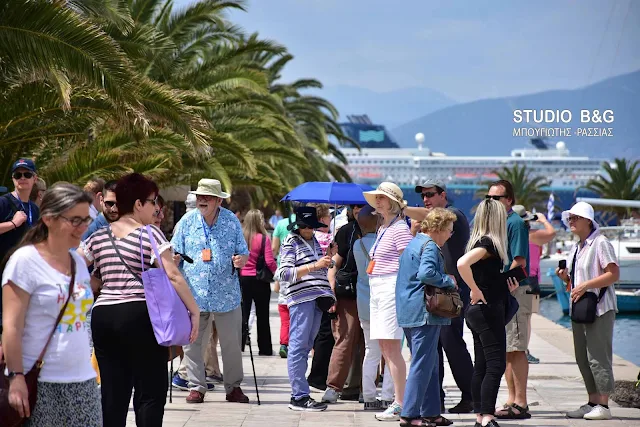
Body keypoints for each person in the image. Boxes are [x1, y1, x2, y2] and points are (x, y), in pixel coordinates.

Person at [79, 173, 200, 426]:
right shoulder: (150, 235)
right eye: (153, 201)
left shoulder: (98, 236)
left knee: (113, 392)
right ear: (137, 204)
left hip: (103, 317)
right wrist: (194, 311)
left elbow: (75, 264)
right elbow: (174, 275)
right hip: (139, 315)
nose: (156, 208)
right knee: (150, 391)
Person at [2, 183, 101, 426]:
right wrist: (16, 378)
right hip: (41, 382)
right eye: (75, 220)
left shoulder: (78, 263)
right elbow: (11, 326)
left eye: (86, 220)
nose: (83, 228)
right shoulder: (24, 262)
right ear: (48, 219)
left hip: (84, 382)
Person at [170, 178, 250, 404]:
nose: (201, 200)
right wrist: (174, 260)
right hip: (194, 296)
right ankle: (196, 386)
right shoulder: (186, 221)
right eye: (199, 196)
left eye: (207, 197)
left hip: (227, 295)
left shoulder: (231, 222)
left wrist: (240, 260)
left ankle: (233, 387)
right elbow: (174, 252)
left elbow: (243, 252)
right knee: (193, 345)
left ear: (218, 201)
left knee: (232, 345)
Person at [405, 178, 474, 413]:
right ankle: (437, 399)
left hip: (452, 292)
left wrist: (399, 208)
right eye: (423, 195)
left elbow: (432, 217)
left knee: (451, 343)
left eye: (431, 194)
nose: (426, 200)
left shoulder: (454, 216)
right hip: (436, 291)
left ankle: (470, 395)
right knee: (435, 346)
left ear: (443, 195)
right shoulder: (431, 226)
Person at [457, 198, 519, 427]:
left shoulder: (477, 242)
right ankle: (487, 415)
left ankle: (481, 415)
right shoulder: (489, 243)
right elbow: (462, 264)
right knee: (495, 365)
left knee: (482, 365)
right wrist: (475, 289)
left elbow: (483, 275)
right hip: (486, 311)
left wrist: (504, 287)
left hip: (476, 311)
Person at [557, 202, 619, 421]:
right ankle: (592, 401)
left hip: (600, 308)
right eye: (570, 218)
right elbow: (577, 280)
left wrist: (586, 285)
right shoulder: (577, 246)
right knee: (582, 357)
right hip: (581, 308)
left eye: (575, 217)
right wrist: (566, 278)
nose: (571, 221)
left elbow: (613, 274)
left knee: (598, 357)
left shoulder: (600, 243)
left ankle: (604, 405)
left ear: (587, 221)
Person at [396, 208, 458, 426]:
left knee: (429, 363)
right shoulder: (430, 246)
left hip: (409, 311)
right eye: (449, 230)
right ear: (439, 229)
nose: (451, 234)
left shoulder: (414, 243)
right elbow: (426, 274)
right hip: (424, 313)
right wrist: (449, 280)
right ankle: (409, 414)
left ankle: (431, 412)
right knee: (422, 364)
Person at [275, 206, 335, 412]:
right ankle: (299, 396)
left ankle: (301, 394)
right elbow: (284, 273)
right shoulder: (291, 240)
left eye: (312, 226)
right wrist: (316, 265)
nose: (310, 229)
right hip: (301, 299)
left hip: (316, 298)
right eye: (306, 226)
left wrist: (328, 259)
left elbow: (318, 267)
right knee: (299, 346)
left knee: (307, 345)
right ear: (298, 226)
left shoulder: (314, 241)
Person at [362, 182, 413, 421]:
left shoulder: (399, 228)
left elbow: (407, 263)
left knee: (391, 347)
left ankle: (400, 401)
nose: (377, 201)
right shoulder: (385, 226)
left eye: (381, 198)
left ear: (392, 202)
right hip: (379, 287)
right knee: (385, 346)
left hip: (390, 288)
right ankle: (398, 400)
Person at [487, 180, 532, 420]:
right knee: (507, 350)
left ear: (509, 200)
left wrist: (501, 283)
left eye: (496, 198)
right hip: (505, 292)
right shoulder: (500, 224)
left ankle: (521, 402)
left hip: (514, 291)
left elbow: (519, 261)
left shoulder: (515, 223)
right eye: (489, 198)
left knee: (516, 349)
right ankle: (512, 399)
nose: (491, 202)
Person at [322, 204, 365, 404]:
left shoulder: (384, 231)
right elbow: (335, 263)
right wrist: (330, 289)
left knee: (371, 345)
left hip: (374, 294)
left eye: (363, 206)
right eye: (355, 206)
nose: (359, 209)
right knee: (345, 340)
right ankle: (334, 387)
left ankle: (367, 388)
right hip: (348, 294)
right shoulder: (347, 231)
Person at [353, 205, 394, 410]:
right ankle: (388, 396)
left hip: (364, 302)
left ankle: (368, 397)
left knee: (371, 351)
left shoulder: (357, 245)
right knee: (390, 353)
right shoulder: (383, 243)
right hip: (384, 302)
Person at [512, 205, 556, 364]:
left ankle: (521, 348)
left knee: (521, 317)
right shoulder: (531, 235)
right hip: (529, 279)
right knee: (526, 318)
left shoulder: (515, 234)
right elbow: (552, 233)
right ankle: (524, 349)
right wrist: (543, 220)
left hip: (524, 278)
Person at [0, 159, 41, 331]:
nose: (22, 178)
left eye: (27, 174)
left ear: (35, 178)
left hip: (24, 274)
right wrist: (13, 224)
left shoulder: (34, 208)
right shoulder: (3, 202)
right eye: (18, 175)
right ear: (13, 179)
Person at [240, 209, 277, 355]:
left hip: (243, 279)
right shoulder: (263, 238)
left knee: (243, 314)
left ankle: (239, 345)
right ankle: (265, 348)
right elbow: (269, 261)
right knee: (263, 315)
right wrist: (278, 272)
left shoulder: (241, 237)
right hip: (260, 280)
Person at [272, 206, 297, 358]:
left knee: (285, 318)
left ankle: (283, 344)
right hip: (300, 270)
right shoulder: (306, 224)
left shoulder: (281, 224)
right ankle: (295, 345)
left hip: (283, 270)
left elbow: (274, 248)